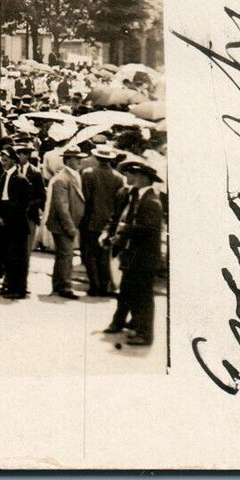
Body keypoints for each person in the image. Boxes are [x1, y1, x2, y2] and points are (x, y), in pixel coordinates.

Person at [105, 157, 164, 346]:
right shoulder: (138, 197)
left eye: (137, 175)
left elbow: (148, 230)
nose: (133, 178)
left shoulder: (151, 201)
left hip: (144, 257)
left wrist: (125, 230)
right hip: (133, 255)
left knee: (143, 297)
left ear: (145, 179)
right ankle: (127, 324)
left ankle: (144, 334)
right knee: (127, 290)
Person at [0, 142, 46, 299]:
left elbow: (20, 204)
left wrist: (7, 218)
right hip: (6, 222)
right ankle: (9, 284)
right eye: (2, 160)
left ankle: (19, 288)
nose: (3, 163)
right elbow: (1, 200)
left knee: (19, 257)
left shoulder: (21, 179)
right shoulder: (4, 176)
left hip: (16, 223)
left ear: (13, 161)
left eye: (6, 160)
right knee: (8, 256)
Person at [80, 144, 126, 297]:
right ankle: (104, 286)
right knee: (105, 255)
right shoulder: (119, 178)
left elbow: (86, 199)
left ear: (97, 158)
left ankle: (95, 285)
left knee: (90, 255)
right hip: (110, 221)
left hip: (91, 219)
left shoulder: (88, 174)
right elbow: (120, 202)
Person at [45, 145, 85, 299]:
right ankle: (65, 286)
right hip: (63, 225)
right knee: (66, 255)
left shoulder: (72, 176)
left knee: (63, 255)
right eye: (76, 159)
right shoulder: (62, 179)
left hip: (67, 223)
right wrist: (70, 227)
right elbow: (62, 207)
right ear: (67, 160)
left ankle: (58, 285)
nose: (79, 161)